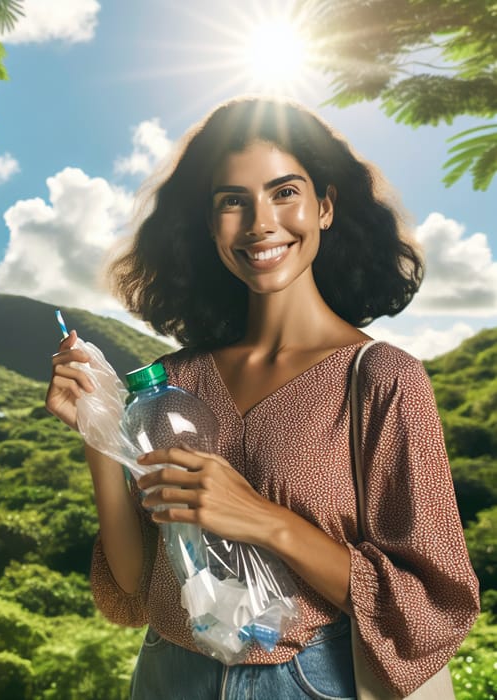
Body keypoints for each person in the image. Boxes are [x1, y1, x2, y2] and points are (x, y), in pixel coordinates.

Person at [45, 97, 479, 699]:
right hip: (169, 677)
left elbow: (432, 602)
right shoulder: (172, 380)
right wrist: (100, 430)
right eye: (232, 201)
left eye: (283, 192)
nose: (259, 223)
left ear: (324, 206)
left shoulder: (381, 378)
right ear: (207, 221)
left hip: (311, 682)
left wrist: (267, 521)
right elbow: (137, 588)